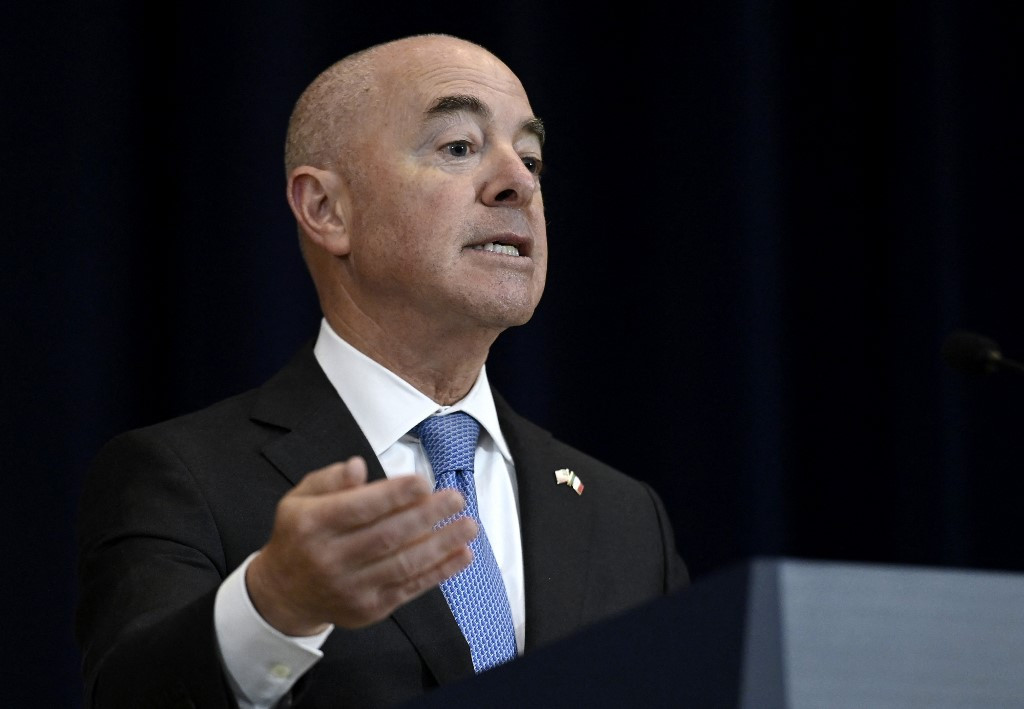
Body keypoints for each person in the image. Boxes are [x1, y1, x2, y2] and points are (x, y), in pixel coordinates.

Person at [75, 33, 689, 708]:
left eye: (532, 157)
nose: (518, 181)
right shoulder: (181, 478)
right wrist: (277, 605)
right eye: (459, 147)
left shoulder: (626, 517)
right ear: (326, 210)